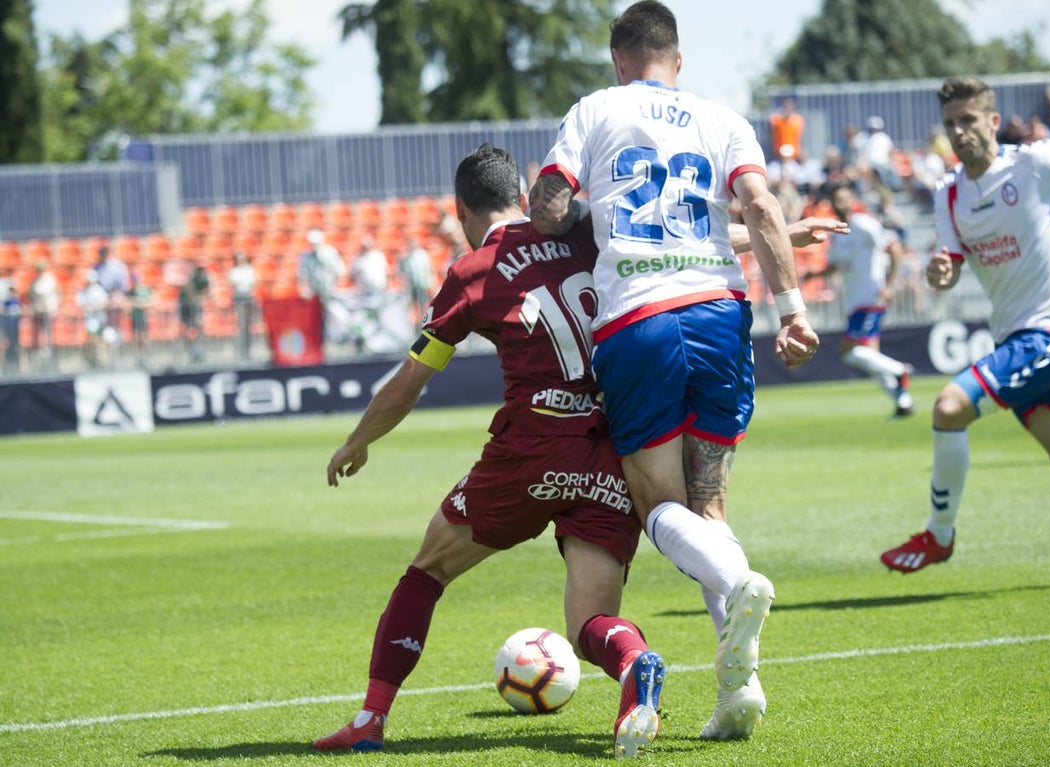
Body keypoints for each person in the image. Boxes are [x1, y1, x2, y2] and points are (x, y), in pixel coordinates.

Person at [314, 144, 667, 758]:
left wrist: (358, 439)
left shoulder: (474, 269)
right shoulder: (586, 235)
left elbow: (411, 379)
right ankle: (634, 662)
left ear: (461, 209)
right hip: (612, 449)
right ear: (525, 195)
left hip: (533, 448)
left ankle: (370, 719)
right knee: (589, 626)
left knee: (427, 571)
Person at [529, 1, 818, 741]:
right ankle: (739, 689)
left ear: (619, 58)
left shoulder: (595, 109)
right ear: (677, 59)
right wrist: (792, 311)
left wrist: (557, 212)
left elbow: (551, 202)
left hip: (639, 321)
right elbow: (757, 203)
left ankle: (734, 585)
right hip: (722, 310)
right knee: (711, 506)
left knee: (660, 504)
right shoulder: (722, 119)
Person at [880, 75, 1050, 574]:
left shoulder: (1035, 162)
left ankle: (939, 536)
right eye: (950, 124)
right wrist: (942, 271)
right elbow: (949, 263)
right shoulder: (949, 195)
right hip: (1014, 338)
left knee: (949, 406)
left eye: (968, 120)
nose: (959, 132)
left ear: (994, 121)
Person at [803, 183, 914, 417]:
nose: (840, 204)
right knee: (869, 356)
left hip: (871, 296)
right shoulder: (838, 234)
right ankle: (903, 402)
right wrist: (814, 275)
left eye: (844, 199)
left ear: (852, 199)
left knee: (849, 351)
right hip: (854, 303)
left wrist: (889, 285)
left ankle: (899, 369)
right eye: (836, 200)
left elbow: (894, 249)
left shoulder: (865, 225)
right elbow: (834, 266)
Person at [297, 229, 346, 341]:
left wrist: (335, 287)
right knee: (316, 320)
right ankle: (319, 342)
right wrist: (305, 291)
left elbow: (340, 271)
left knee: (333, 318)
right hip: (314, 295)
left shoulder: (330, 253)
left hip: (330, 293)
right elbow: (302, 275)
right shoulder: (306, 256)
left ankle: (335, 341)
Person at [178, 261, 211, 364]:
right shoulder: (190, 280)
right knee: (188, 330)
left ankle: (198, 351)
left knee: (198, 327)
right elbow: (190, 294)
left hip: (195, 308)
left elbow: (207, 292)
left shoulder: (203, 279)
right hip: (186, 308)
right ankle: (190, 352)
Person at [76, 269, 110, 368]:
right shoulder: (84, 291)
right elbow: (81, 303)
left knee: (100, 340)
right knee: (92, 340)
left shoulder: (99, 290)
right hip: (90, 320)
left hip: (99, 319)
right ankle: (92, 359)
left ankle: (102, 360)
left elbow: (104, 302)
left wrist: (96, 306)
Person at [28, 260, 59, 368]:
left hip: (49, 311)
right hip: (38, 312)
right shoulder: (34, 282)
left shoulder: (50, 281)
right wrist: (37, 307)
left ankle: (50, 351)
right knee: (38, 333)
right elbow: (32, 297)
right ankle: (38, 352)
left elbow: (55, 296)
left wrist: (50, 307)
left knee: (49, 333)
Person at [227, 250, 257, 361]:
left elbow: (252, 282)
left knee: (248, 326)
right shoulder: (234, 270)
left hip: (248, 299)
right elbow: (232, 283)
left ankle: (248, 350)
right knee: (240, 326)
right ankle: (240, 351)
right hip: (239, 300)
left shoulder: (250, 269)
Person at [397, 236, 432, 329]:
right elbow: (401, 272)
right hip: (411, 287)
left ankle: (425, 325)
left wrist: (429, 283)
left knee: (423, 307)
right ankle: (414, 327)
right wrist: (404, 284)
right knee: (412, 308)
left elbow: (428, 270)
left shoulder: (422, 255)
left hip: (422, 285)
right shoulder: (405, 257)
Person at [126, 271, 152, 366]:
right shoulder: (130, 291)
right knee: (136, 338)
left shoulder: (144, 290)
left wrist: (142, 303)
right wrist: (136, 303)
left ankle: (146, 357)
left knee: (145, 338)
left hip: (144, 318)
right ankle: (138, 357)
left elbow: (151, 300)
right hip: (134, 318)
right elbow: (127, 302)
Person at [769, 97, 805, 162]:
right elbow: (772, 122)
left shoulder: (797, 119)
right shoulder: (777, 118)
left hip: (794, 153)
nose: (788, 108)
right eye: (786, 106)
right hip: (779, 152)